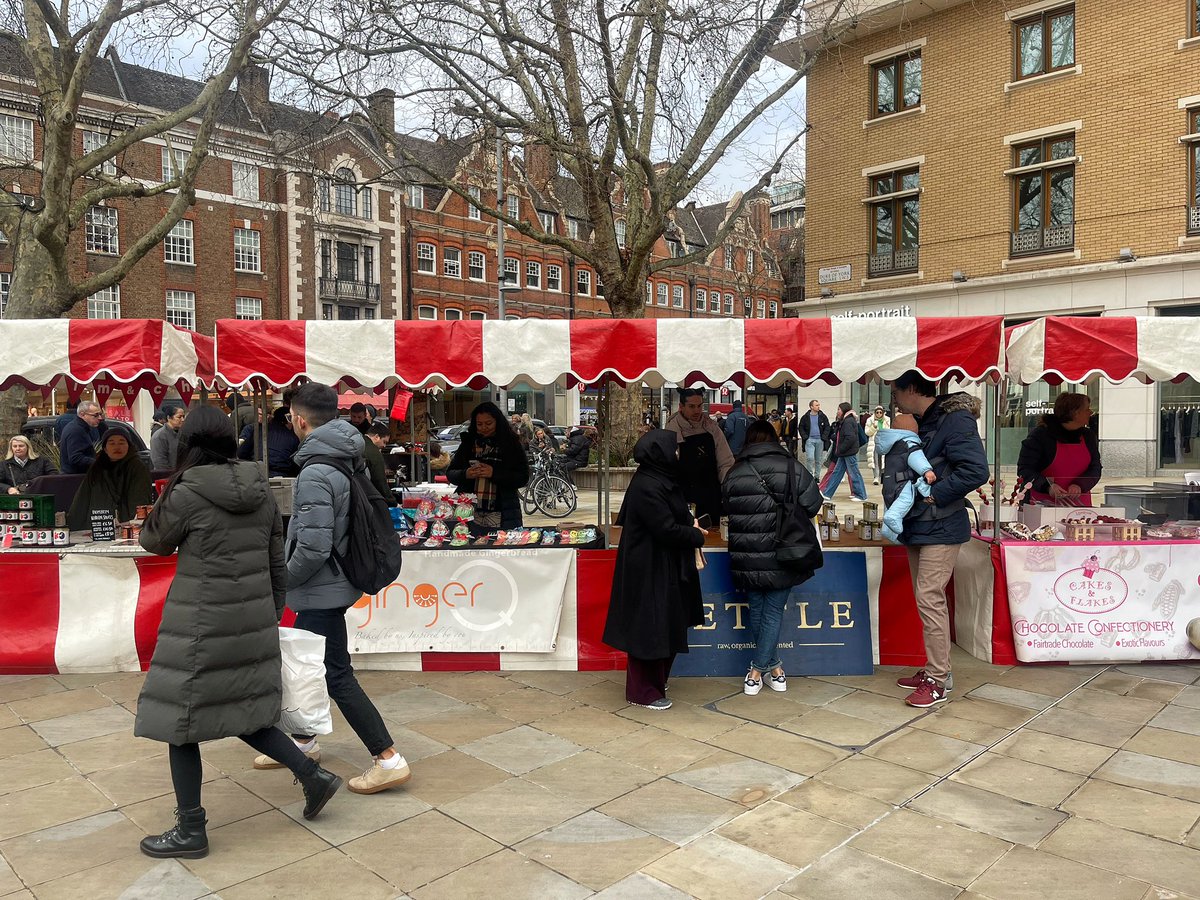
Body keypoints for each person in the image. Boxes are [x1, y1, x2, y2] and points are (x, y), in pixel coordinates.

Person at [134, 406, 342, 859]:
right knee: (244, 711)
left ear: (188, 444)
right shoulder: (260, 488)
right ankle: (313, 776)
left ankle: (191, 829)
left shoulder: (186, 491)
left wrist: (169, 490)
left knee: (180, 723)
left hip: (200, 625)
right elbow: (275, 559)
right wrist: (271, 613)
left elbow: (153, 541)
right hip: (252, 620)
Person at [252, 382, 411, 793]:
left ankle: (387, 757)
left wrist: (282, 581)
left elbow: (313, 546)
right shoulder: (347, 454)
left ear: (298, 420)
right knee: (313, 668)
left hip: (320, 586)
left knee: (335, 674)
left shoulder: (315, 471)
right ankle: (303, 743)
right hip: (336, 582)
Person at [890, 371, 989, 708]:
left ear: (912, 388)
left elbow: (976, 470)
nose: (894, 399)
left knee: (929, 597)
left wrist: (936, 495)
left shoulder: (955, 420)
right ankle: (934, 668)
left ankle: (938, 678)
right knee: (926, 599)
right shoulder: (926, 420)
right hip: (919, 524)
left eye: (896, 391)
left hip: (942, 524)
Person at [603, 430, 708, 709]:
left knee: (667, 623)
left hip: (664, 564)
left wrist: (690, 524)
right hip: (649, 568)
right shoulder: (647, 485)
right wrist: (695, 535)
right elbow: (665, 529)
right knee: (649, 628)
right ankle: (642, 692)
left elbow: (676, 516)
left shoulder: (661, 478)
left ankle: (657, 681)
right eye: (674, 449)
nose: (677, 453)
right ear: (660, 452)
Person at [721, 420, 823, 696]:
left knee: (757, 610)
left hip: (747, 554)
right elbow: (814, 504)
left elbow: (726, 505)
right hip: (784, 552)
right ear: (774, 439)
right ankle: (762, 671)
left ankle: (768, 669)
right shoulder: (792, 466)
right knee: (773, 611)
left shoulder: (736, 471)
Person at [447, 402, 530, 529]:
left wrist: (494, 473)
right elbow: (451, 473)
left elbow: (523, 477)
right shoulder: (468, 443)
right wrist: (466, 474)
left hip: (503, 511)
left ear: (498, 422)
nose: (484, 428)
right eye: (479, 424)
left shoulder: (511, 444)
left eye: (488, 423)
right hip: (467, 511)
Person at [1018, 392, 1101, 506]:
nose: (1090, 412)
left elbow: (1095, 468)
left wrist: (1080, 485)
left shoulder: (1088, 436)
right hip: (1041, 504)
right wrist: (1047, 486)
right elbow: (1025, 469)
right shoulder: (1040, 436)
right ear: (1074, 413)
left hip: (1079, 506)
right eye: (1087, 409)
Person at [665, 388, 734, 525]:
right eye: (691, 406)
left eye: (699, 406)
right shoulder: (672, 429)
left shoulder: (712, 428)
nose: (697, 411)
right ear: (681, 406)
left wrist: (729, 487)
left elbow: (725, 462)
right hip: (683, 497)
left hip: (711, 495)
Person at [67, 425, 155, 530]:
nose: (117, 447)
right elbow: (82, 499)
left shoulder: (137, 467)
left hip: (128, 525)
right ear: (105, 448)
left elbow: (141, 499)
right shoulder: (97, 467)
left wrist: (132, 524)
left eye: (121, 443)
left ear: (129, 446)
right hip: (99, 526)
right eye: (112, 443)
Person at [876, 413, 938, 542]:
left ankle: (888, 531)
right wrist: (927, 470)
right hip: (902, 482)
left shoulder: (892, 444)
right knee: (905, 501)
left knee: (890, 504)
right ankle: (893, 517)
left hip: (889, 482)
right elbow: (916, 458)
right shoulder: (909, 443)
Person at [823, 402, 868, 502]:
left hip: (848, 452)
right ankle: (827, 493)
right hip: (844, 453)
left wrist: (841, 449)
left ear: (844, 410)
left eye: (839, 409)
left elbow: (850, 438)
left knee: (854, 473)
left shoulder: (848, 421)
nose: (837, 412)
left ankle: (861, 495)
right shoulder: (846, 420)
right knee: (837, 473)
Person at [237, 406, 301, 477]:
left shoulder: (259, 431)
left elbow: (241, 453)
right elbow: (296, 462)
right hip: (282, 473)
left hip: (257, 472)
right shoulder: (293, 437)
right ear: (288, 421)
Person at [59, 401, 105, 475]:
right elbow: (75, 458)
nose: (100, 418)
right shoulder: (76, 430)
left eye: (100, 414)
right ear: (82, 414)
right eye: (95, 415)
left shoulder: (78, 427)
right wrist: (98, 463)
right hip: (75, 477)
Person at [363, 420, 397, 505]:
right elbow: (380, 480)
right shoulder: (374, 452)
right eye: (384, 442)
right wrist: (392, 502)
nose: (384, 446)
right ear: (377, 437)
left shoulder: (358, 442)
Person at [798, 400, 831, 476]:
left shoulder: (822, 416)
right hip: (809, 440)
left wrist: (824, 437)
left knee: (818, 460)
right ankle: (810, 474)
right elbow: (801, 427)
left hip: (820, 440)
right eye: (816, 405)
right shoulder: (805, 417)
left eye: (819, 405)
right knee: (810, 458)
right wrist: (805, 437)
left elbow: (827, 427)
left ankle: (817, 476)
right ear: (811, 407)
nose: (818, 406)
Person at [150, 403, 186, 470]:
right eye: (179, 417)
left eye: (183, 417)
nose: (183, 419)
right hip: (167, 474)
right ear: (169, 418)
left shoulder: (183, 434)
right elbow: (159, 462)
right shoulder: (159, 436)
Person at [865, 405, 891, 485]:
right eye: (877, 412)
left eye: (880, 412)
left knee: (883, 460)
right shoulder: (870, 420)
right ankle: (876, 477)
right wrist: (873, 427)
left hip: (884, 442)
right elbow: (867, 432)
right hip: (874, 443)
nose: (879, 414)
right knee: (875, 460)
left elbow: (890, 431)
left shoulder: (887, 420)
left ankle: (882, 476)